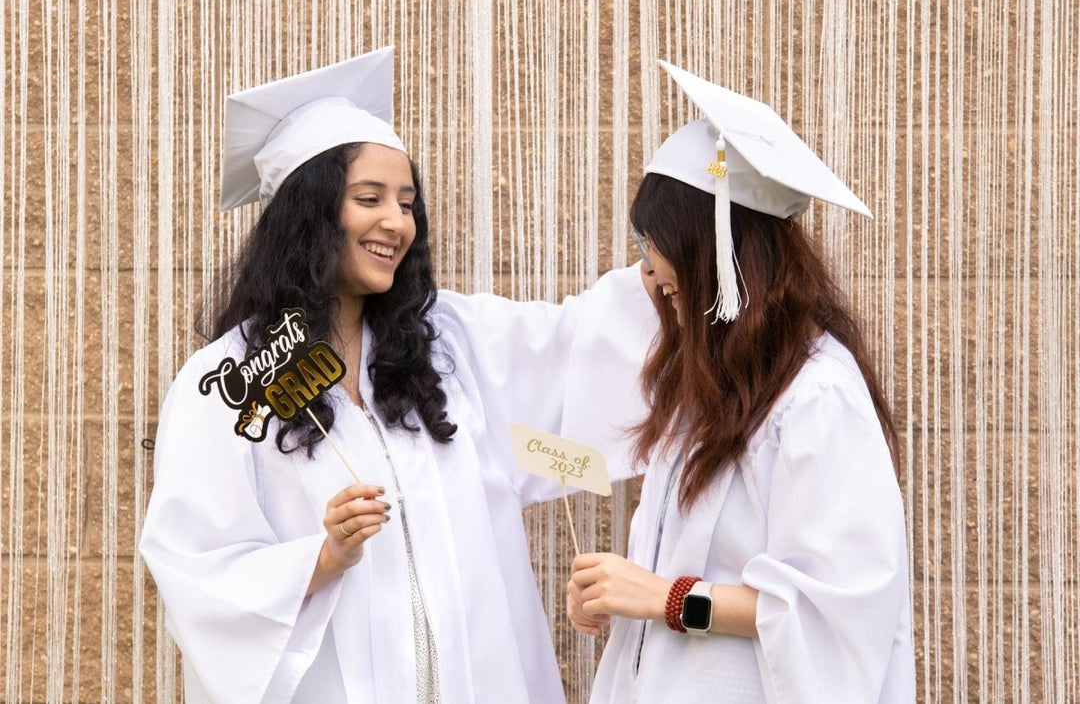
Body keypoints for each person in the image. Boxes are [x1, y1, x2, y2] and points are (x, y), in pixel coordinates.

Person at [139, 47, 657, 704]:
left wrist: (683, 263)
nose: (397, 222)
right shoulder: (229, 385)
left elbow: (578, 346)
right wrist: (323, 556)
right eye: (370, 198)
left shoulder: (449, 346)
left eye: (407, 203)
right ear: (308, 214)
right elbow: (196, 566)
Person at [567, 61, 915, 702]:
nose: (648, 271)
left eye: (657, 244)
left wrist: (662, 597)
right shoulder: (715, 389)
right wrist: (616, 589)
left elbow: (835, 611)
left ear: (720, 251)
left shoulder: (816, 399)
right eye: (642, 244)